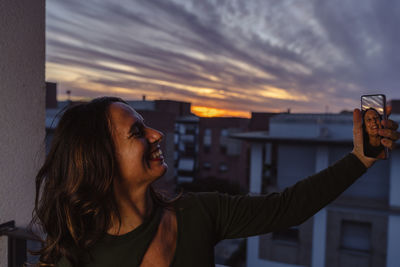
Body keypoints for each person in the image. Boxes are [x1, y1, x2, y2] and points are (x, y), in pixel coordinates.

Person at [31, 96, 399, 267]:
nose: (158, 135)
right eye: (138, 132)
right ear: (102, 161)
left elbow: (289, 207)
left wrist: (360, 158)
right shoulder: (74, 256)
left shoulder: (199, 212)